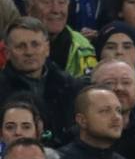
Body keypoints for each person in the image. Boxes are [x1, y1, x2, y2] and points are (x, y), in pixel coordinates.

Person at [0, 17, 82, 146]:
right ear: (7, 53)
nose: (29, 52)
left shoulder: (70, 86)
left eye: (35, 44)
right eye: (21, 46)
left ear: (47, 48)